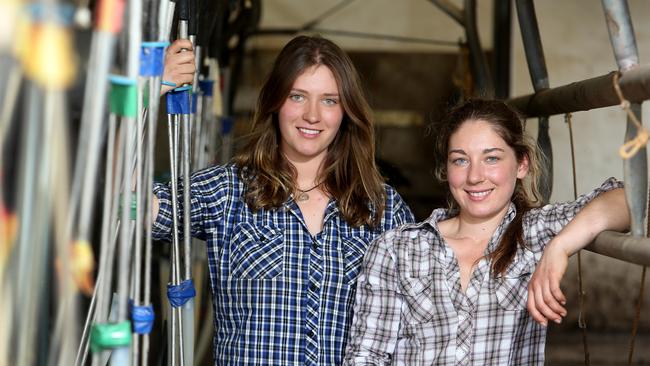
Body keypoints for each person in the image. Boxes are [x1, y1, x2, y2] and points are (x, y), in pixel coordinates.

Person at [154, 35, 415, 365]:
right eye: (298, 96)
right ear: (276, 101)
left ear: (346, 112)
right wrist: (149, 92)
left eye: (329, 101)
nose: (312, 115)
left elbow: (421, 323)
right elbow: (129, 210)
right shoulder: (229, 189)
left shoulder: (383, 208)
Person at [343, 99, 630, 365]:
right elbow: (366, 355)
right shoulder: (397, 248)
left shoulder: (536, 232)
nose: (475, 176)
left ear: (521, 164)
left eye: (491, 158)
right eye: (460, 160)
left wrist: (560, 247)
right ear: (446, 169)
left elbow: (629, 201)